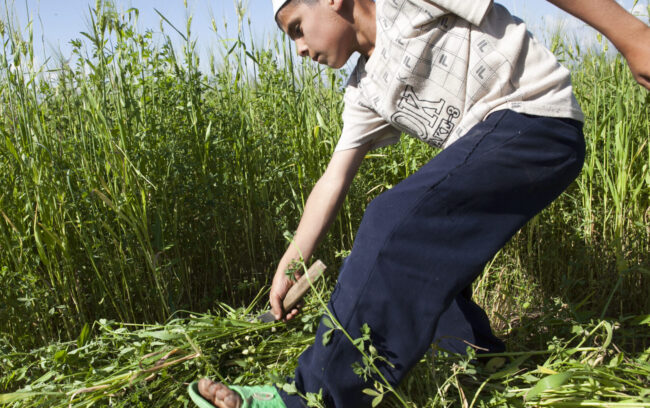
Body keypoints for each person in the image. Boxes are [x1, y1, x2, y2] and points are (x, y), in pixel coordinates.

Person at [189, 0, 650, 406]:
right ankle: (485, 365)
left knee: (392, 221)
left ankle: (308, 399)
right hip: (497, 143)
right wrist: (291, 266)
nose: (300, 50)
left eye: (296, 28)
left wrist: (630, 35)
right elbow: (334, 177)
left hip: (534, 119)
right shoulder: (363, 90)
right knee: (409, 266)